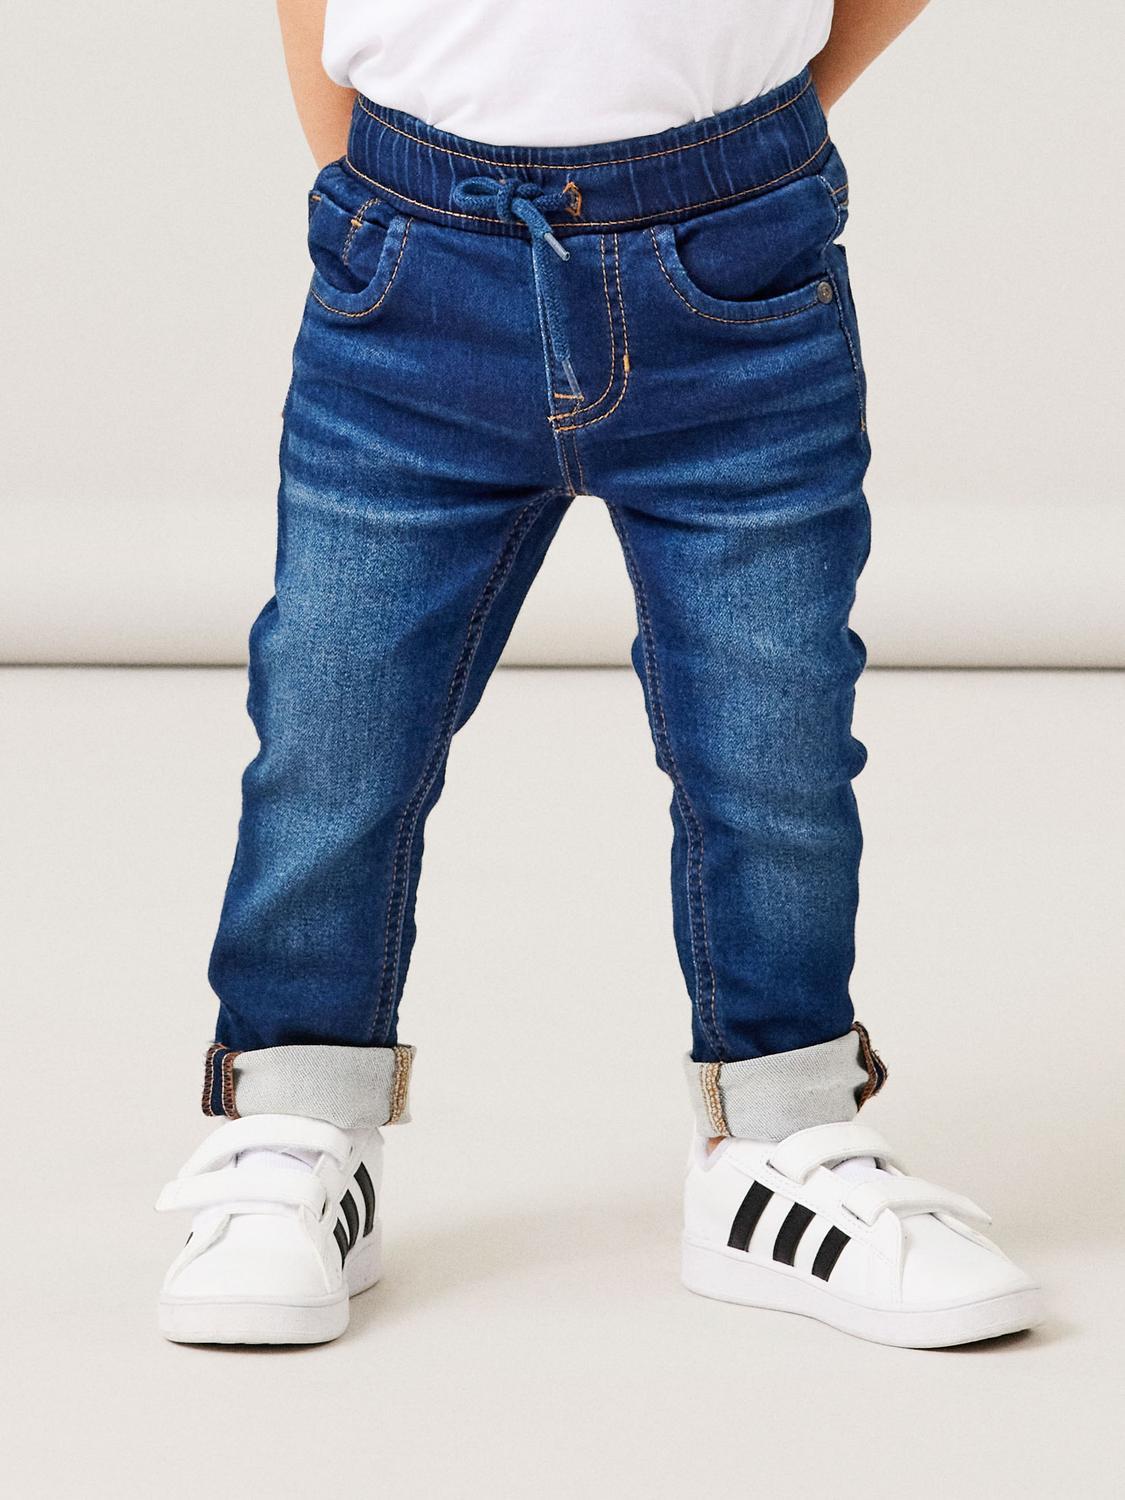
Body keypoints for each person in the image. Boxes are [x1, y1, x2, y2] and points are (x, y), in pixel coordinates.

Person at [155, 0, 1043, 1348]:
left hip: (734, 263)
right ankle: (293, 1124)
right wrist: (373, 187)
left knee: (774, 741)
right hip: (412, 258)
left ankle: (778, 1137)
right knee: (333, 727)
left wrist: (750, 132)